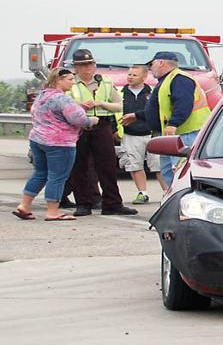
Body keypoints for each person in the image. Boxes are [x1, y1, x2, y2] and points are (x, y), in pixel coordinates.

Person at [11, 69, 98, 222]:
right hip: (60, 143)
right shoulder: (62, 99)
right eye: (70, 79)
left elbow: (48, 113)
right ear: (59, 80)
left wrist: (78, 108)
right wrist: (92, 120)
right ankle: (52, 211)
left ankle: (24, 205)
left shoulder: (42, 96)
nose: (73, 82)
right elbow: (79, 120)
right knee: (57, 176)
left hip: (38, 139)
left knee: (40, 173)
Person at [120, 51, 211, 191]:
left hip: (185, 134)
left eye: (152, 65)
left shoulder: (179, 79)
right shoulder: (168, 80)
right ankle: (173, 198)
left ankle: (182, 200)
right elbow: (162, 109)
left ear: (161, 63)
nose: (150, 69)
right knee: (168, 171)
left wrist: (174, 123)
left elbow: (183, 104)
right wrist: (138, 115)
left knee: (180, 172)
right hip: (174, 135)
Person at [65, 49, 137, 216]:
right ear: (75, 67)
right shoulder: (70, 83)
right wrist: (82, 105)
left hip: (103, 125)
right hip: (79, 126)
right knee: (79, 167)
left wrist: (100, 103)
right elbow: (65, 105)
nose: (88, 67)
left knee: (107, 166)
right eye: (83, 65)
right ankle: (83, 204)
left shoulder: (105, 81)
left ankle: (112, 204)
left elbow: (119, 105)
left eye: (90, 63)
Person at [117, 64, 167, 204]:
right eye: (129, 74)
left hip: (152, 134)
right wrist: (116, 130)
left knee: (158, 165)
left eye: (134, 75)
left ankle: (167, 192)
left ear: (145, 76)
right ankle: (142, 193)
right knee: (135, 165)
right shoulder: (121, 93)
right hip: (130, 134)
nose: (130, 77)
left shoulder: (152, 93)